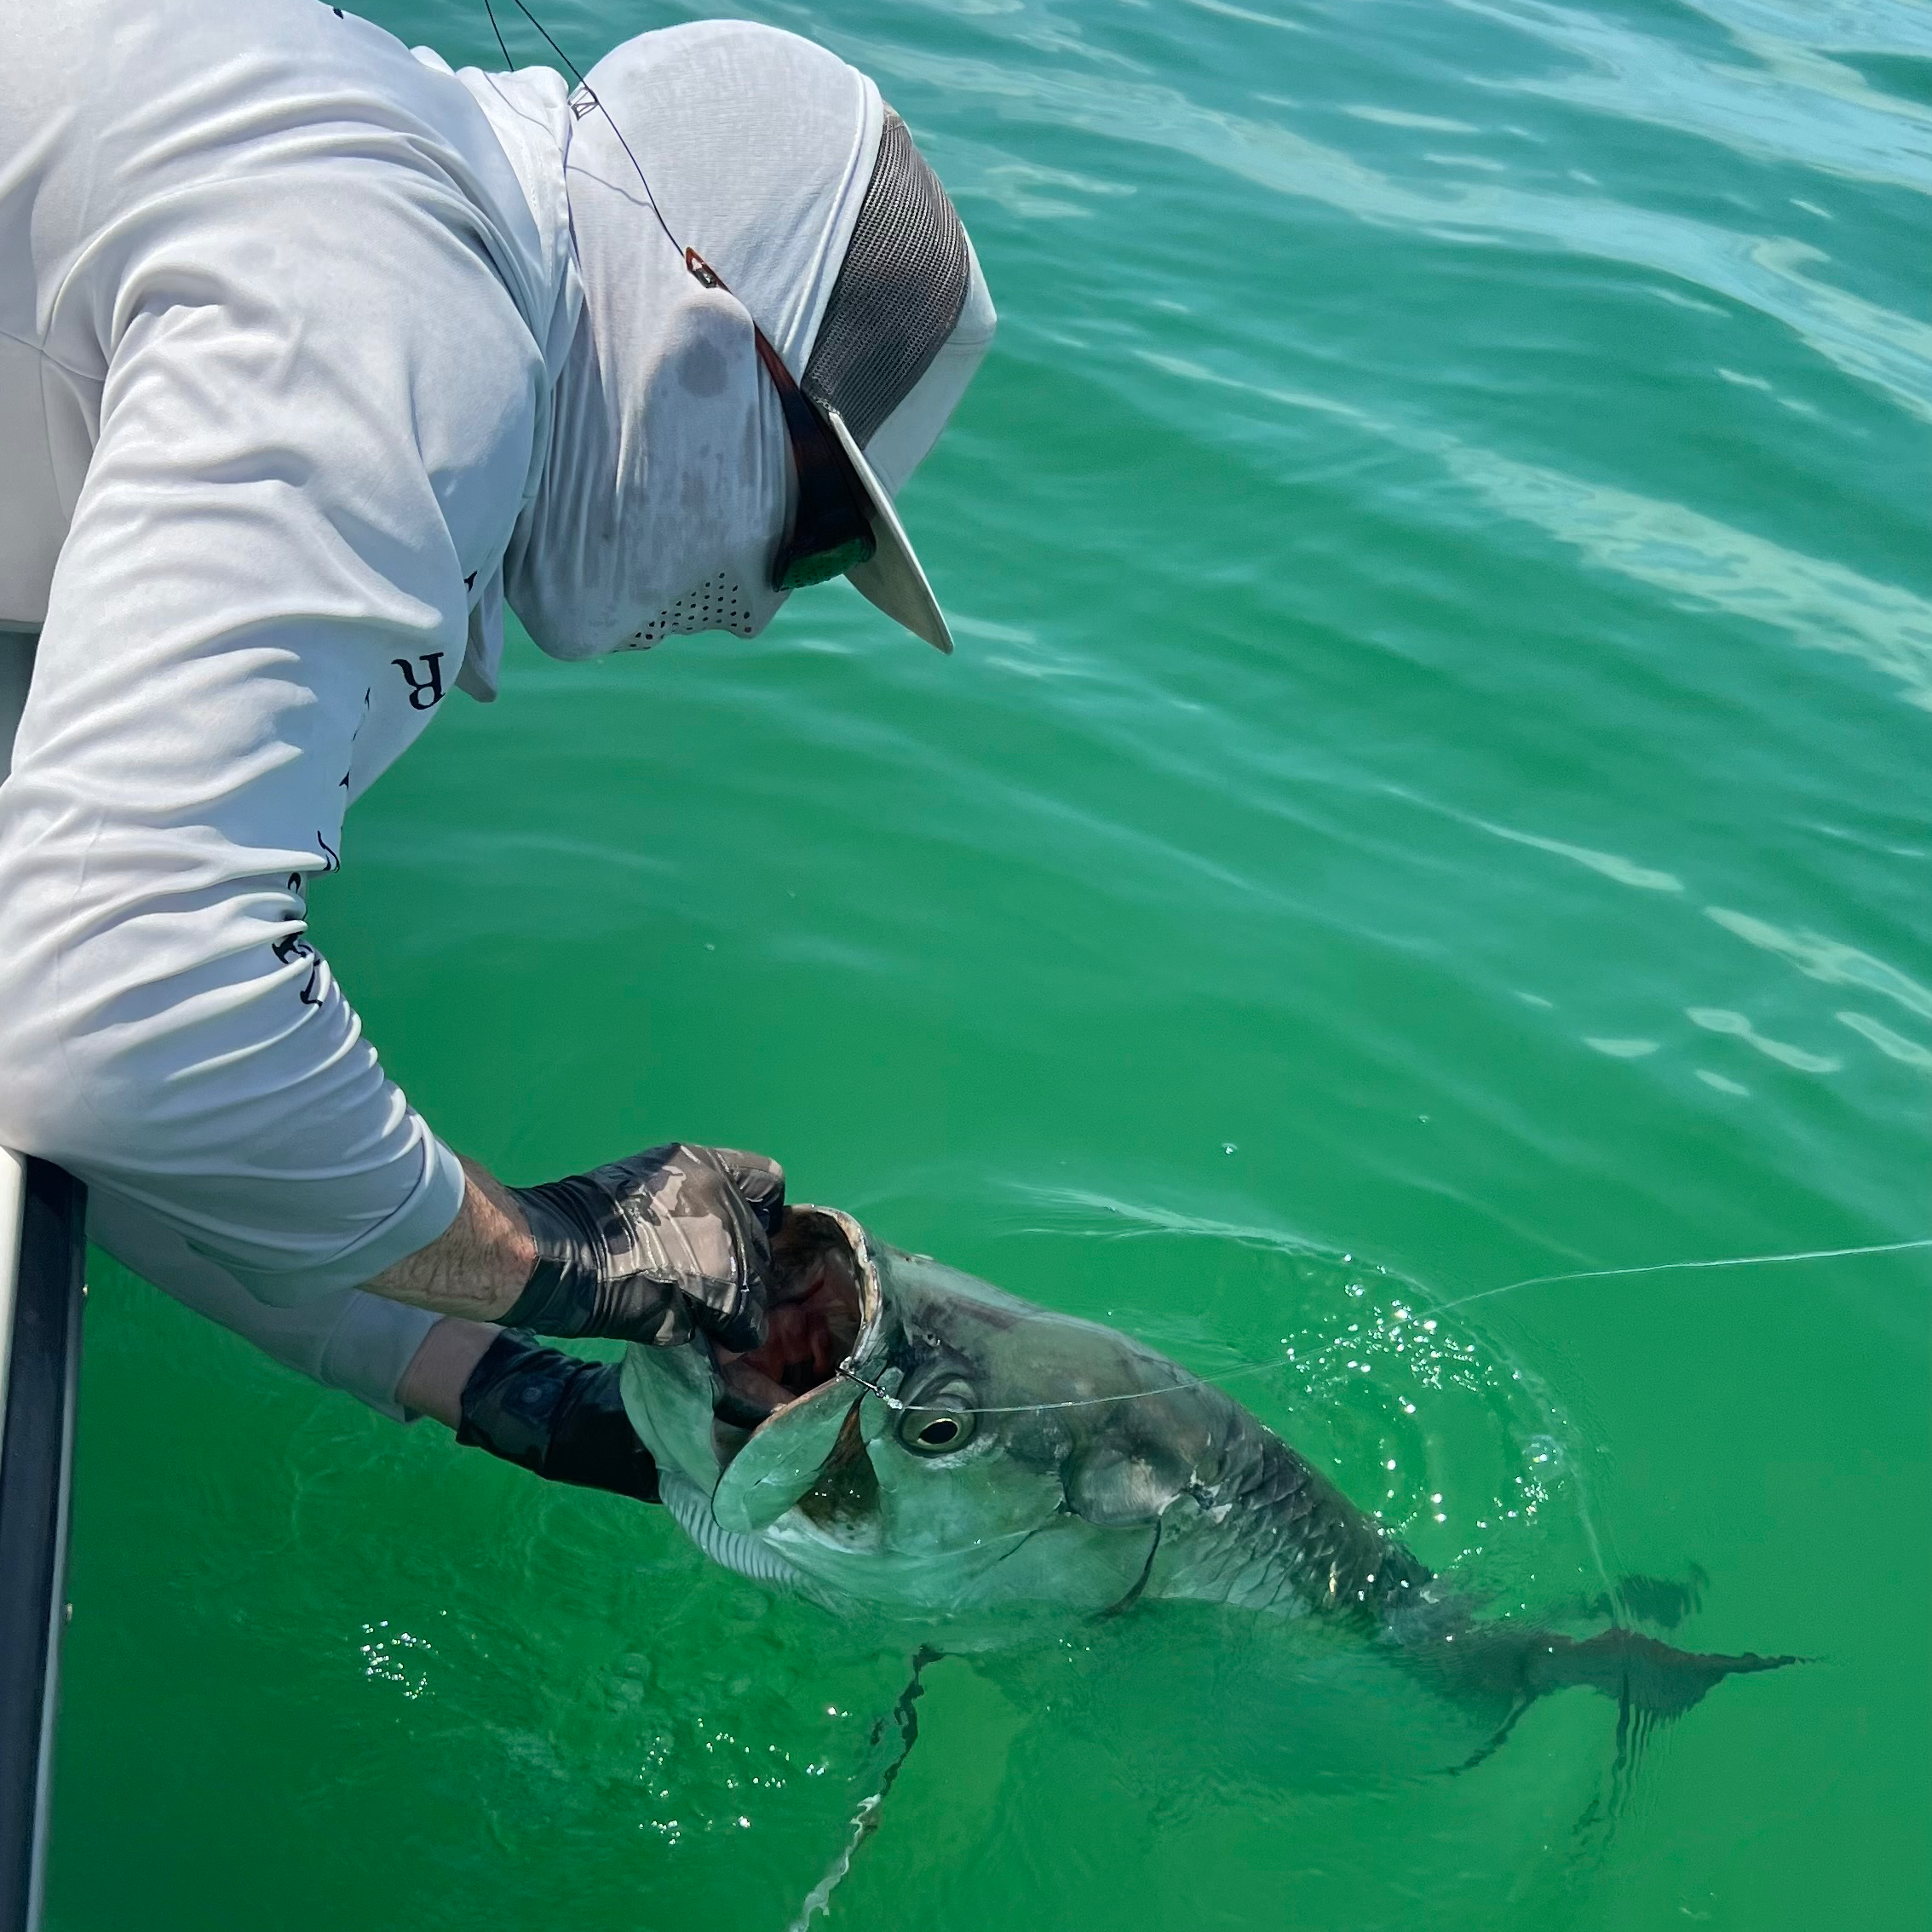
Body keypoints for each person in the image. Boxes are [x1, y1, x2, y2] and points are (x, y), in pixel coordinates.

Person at [0, 0, 995, 1503]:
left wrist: (519, 1393)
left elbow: (90, 1021)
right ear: (716, 325)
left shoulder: (369, 197)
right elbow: (123, 1017)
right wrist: (563, 1261)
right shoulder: (409, 312)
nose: (757, 613)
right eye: (817, 530)